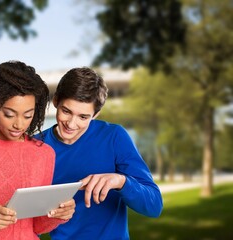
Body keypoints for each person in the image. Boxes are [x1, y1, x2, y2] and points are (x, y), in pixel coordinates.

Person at [0, 60, 75, 240]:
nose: (19, 124)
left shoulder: (44, 154)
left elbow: (38, 226)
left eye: (28, 115)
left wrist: (58, 214)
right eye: (9, 114)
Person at [36, 67, 163, 240]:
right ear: (56, 101)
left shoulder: (114, 137)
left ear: (96, 114)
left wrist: (121, 181)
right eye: (66, 111)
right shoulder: (35, 146)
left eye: (83, 117)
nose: (71, 124)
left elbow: (154, 206)